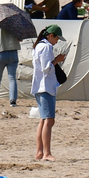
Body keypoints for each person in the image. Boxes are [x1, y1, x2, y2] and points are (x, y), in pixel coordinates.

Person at [32, 25, 65, 161]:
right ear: (51, 35)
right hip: (45, 87)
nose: (57, 41)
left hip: (40, 86)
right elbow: (46, 68)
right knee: (49, 120)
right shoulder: (46, 47)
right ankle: (46, 153)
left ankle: (40, 151)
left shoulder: (38, 46)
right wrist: (56, 60)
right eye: (57, 38)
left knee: (43, 119)